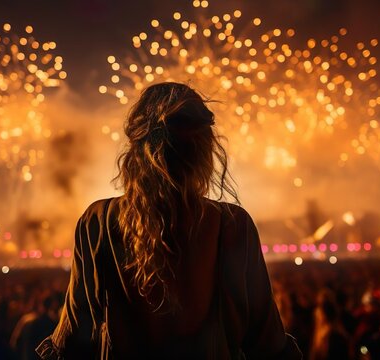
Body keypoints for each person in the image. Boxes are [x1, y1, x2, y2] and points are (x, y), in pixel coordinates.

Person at [37, 82, 301, 359]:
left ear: (137, 150)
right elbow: (267, 343)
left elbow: (75, 336)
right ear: (206, 150)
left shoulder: (98, 221)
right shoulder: (233, 226)